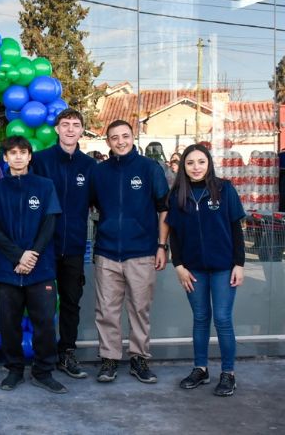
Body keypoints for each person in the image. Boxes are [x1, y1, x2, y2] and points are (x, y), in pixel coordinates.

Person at [0, 136, 65, 393]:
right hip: (7, 268)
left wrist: (32, 255)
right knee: (8, 323)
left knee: (45, 322)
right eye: (12, 153)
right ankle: (14, 370)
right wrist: (18, 256)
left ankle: (43, 372)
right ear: (5, 158)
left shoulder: (45, 186)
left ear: (30, 156)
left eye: (22, 152)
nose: (17, 156)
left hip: (40, 268)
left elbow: (49, 223)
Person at [162, 144, 245, 397]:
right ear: (183, 167)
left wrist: (239, 264)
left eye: (201, 162)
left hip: (223, 268)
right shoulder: (177, 195)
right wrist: (178, 266)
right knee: (200, 318)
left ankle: (228, 373)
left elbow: (236, 229)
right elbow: (174, 235)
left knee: (222, 319)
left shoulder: (224, 189)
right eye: (190, 163)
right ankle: (201, 369)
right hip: (193, 269)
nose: (196, 167)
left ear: (209, 163)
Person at [90, 120, 168, 384]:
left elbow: (164, 209)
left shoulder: (150, 168)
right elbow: (90, 206)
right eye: (114, 137)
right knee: (106, 310)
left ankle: (139, 358)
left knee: (139, 309)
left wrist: (161, 245)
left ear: (133, 137)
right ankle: (109, 359)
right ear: (108, 142)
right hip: (107, 252)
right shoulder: (99, 172)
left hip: (142, 252)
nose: (120, 141)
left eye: (125, 136)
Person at [31, 108, 96, 379]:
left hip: (74, 247)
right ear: (57, 129)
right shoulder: (40, 161)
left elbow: (99, 203)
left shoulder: (90, 166)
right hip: (44, 247)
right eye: (65, 124)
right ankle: (43, 357)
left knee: (71, 303)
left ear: (82, 131)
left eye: (76, 125)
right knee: (43, 306)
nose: (70, 129)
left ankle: (67, 353)